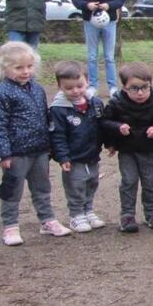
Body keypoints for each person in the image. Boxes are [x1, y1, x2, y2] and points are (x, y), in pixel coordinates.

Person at [0, 42, 72, 245]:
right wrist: (4, 154)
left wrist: (49, 144)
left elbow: (45, 117)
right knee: (12, 190)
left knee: (42, 187)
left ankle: (47, 220)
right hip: (16, 153)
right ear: (5, 68)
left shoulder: (37, 89)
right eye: (19, 68)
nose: (26, 72)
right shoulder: (0, 95)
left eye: (29, 67)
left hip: (39, 150)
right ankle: (10, 226)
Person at [101, 62, 153, 232]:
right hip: (127, 150)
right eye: (134, 88)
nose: (140, 92)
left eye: (145, 87)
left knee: (151, 182)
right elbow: (105, 122)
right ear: (125, 87)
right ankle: (127, 215)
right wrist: (116, 132)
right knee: (129, 181)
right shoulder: (116, 102)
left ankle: (151, 212)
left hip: (149, 149)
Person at [48, 61, 106, 233]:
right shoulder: (58, 110)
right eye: (69, 88)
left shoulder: (95, 104)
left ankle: (88, 210)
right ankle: (76, 215)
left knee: (92, 182)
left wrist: (109, 143)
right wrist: (63, 157)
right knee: (75, 185)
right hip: (73, 158)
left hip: (92, 154)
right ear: (60, 87)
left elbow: (102, 126)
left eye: (79, 86)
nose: (75, 91)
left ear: (87, 81)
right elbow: (57, 135)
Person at [72, 0, 126, 97]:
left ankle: (113, 87)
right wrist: (87, 5)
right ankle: (93, 86)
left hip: (110, 21)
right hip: (90, 21)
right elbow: (76, 0)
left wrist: (109, 5)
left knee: (109, 56)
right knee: (92, 56)